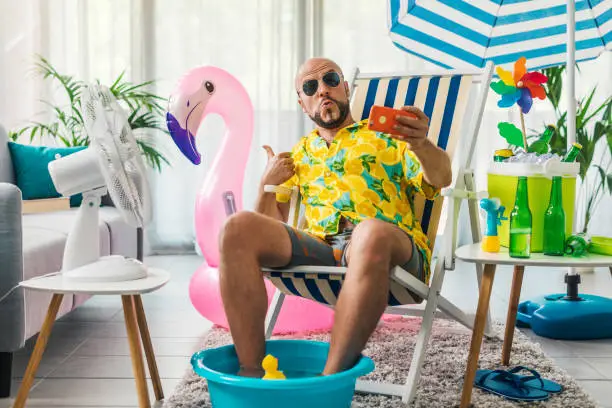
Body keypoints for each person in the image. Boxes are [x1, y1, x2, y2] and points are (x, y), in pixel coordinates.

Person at [218, 57, 452, 377]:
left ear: (345, 87)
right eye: (311, 87)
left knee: (368, 233)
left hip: (389, 248)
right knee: (236, 228)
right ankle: (251, 373)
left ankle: (328, 383)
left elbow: (441, 178)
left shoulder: (388, 135)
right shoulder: (299, 154)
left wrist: (421, 143)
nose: (323, 90)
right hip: (323, 251)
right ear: (302, 102)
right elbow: (262, 229)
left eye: (330, 80)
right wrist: (266, 184)